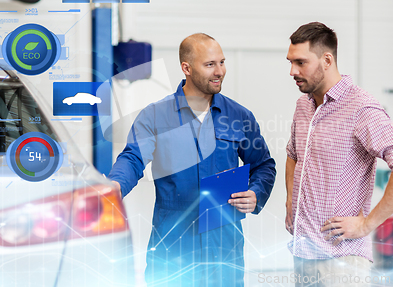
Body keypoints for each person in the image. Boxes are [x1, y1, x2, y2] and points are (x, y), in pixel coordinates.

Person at [108, 33, 276, 286]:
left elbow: (263, 165)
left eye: (222, 62)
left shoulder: (239, 116)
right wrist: (114, 187)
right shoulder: (155, 116)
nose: (219, 71)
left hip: (224, 249)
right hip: (173, 248)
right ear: (186, 68)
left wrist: (256, 193)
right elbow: (132, 158)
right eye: (210, 65)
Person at [284, 22, 393, 286]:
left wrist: (366, 225)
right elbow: (293, 154)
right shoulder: (303, 106)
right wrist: (290, 202)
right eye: (290, 62)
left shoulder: (361, 107)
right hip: (303, 253)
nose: (293, 71)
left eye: (301, 62)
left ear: (326, 60)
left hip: (342, 262)